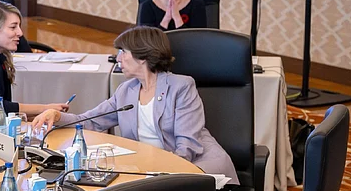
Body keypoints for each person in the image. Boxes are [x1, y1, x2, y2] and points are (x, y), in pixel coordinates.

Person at [31, 25, 238, 181]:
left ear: (142, 57)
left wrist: (159, 176)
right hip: (152, 171)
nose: (117, 58)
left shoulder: (181, 87)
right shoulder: (126, 91)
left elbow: (187, 147)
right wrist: (56, 115)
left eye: (123, 51)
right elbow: (90, 121)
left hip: (196, 169)